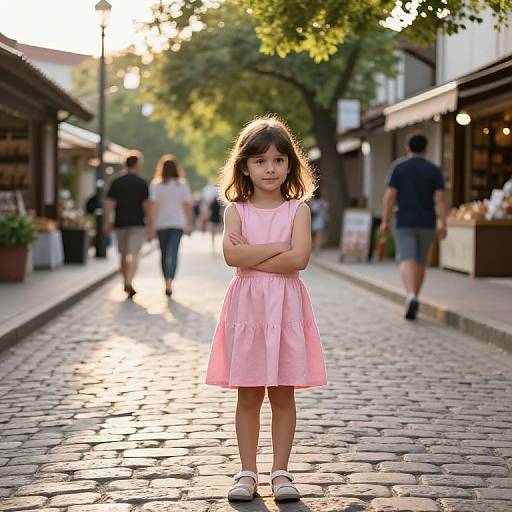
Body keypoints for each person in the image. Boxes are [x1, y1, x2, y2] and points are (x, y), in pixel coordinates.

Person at [205, 115, 327, 502]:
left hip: (285, 308)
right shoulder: (235, 210)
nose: (270, 168)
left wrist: (252, 255)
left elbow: (300, 259)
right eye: (260, 161)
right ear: (245, 166)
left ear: (290, 164)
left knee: (283, 393)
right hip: (249, 309)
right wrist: (279, 248)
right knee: (249, 393)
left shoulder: (298, 210)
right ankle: (246, 471)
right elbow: (230, 255)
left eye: (277, 160)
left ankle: (281, 472)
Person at [380, 132, 448, 320]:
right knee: (420, 260)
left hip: (404, 221)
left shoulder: (399, 167)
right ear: (426, 148)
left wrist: (385, 220)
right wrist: (444, 222)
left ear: (408, 147)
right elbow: (440, 198)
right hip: (427, 221)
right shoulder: (434, 170)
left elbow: (390, 196)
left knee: (406, 259)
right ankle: (415, 296)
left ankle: (410, 295)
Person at [104, 150, 150, 299]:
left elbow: (109, 204)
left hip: (120, 223)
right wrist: (149, 222)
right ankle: (129, 281)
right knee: (135, 254)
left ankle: (125, 280)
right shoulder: (142, 182)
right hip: (137, 224)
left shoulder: (117, 182)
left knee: (123, 254)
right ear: (136, 165)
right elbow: (147, 205)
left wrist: (107, 222)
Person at [148, 154, 193, 297]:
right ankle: (170, 281)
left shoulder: (156, 184)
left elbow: (153, 207)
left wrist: (151, 226)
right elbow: (187, 206)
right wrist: (189, 224)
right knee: (173, 253)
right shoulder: (182, 184)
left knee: (163, 253)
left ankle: (166, 282)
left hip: (161, 224)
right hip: (177, 224)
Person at [308, 188, 329, 253]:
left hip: (315, 219)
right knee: (317, 234)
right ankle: (315, 247)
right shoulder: (322, 202)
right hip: (317, 219)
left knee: (316, 234)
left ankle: (315, 247)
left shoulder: (312, 202)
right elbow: (325, 211)